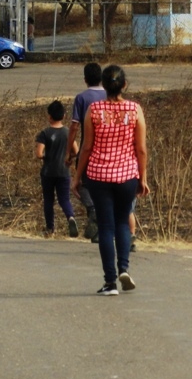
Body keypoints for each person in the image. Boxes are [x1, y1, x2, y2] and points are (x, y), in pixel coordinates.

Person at [71, 65, 149, 296]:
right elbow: (141, 148)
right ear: (124, 84)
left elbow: (86, 147)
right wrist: (142, 177)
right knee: (123, 222)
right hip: (127, 174)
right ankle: (123, 268)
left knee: (106, 226)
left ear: (104, 85)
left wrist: (77, 177)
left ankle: (110, 282)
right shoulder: (135, 109)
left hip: (98, 174)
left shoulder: (94, 110)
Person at [66, 62, 107, 242]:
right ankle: (100, 228)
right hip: (109, 147)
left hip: (87, 147)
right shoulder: (109, 95)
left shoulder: (82, 98)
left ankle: (92, 210)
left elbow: (74, 126)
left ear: (85, 79)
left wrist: (69, 151)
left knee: (81, 182)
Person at [35, 100, 79, 238]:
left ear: (49, 116)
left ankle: (50, 228)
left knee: (49, 200)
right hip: (64, 171)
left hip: (48, 172)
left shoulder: (45, 133)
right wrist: (69, 157)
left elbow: (39, 154)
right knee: (64, 199)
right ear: (64, 116)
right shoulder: (67, 132)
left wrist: (47, 156)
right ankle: (70, 217)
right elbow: (76, 151)